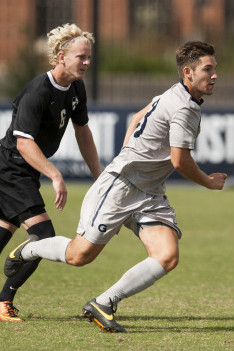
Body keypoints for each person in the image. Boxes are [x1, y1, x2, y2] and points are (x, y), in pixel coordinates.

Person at [4, 41, 227, 332]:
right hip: (121, 188)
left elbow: (136, 118)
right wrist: (209, 181)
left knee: (167, 255)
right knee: (78, 256)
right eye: (207, 69)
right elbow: (180, 161)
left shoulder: (175, 93)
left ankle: (104, 302)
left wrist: (128, 155)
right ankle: (29, 251)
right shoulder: (183, 108)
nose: (214, 75)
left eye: (214, 69)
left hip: (149, 193)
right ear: (188, 72)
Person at [0, 23, 101, 322]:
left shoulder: (75, 88)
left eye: (88, 57)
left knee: (4, 233)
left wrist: (99, 176)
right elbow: (23, 142)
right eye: (80, 56)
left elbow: (82, 131)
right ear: (61, 57)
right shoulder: (37, 92)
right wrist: (56, 175)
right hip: (11, 168)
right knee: (44, 236)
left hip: (22, 172)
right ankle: (4, 300)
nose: (86, 62)